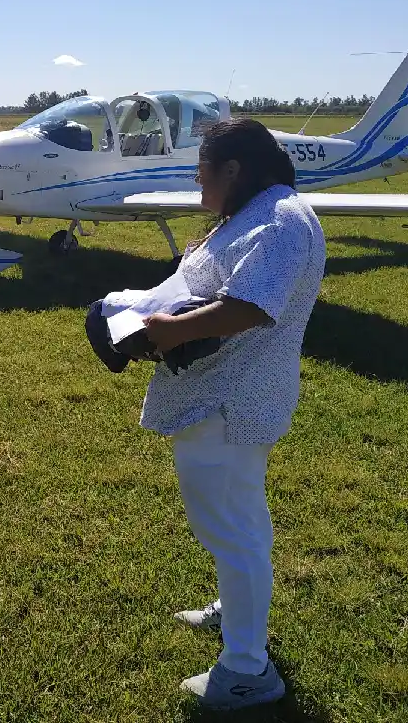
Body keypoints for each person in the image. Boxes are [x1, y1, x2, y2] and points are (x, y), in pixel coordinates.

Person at [137, 118, 326, 710]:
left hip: (230, 402)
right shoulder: (260, 214)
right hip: (223, 396)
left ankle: (248, 671)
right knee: (240, 518)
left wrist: (171, 330)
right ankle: (236, 609)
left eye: (202, 173)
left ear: (234, 170)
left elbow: (248, 307)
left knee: (231, 527)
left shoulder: (280, 223)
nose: (198, 185)